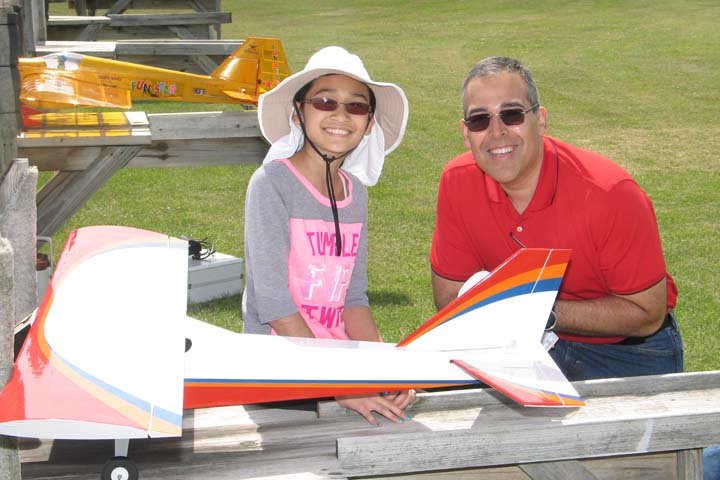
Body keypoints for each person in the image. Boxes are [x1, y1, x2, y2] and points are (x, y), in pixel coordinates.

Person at [429, 55, 720, 478]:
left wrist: (535, 311)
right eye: (479, 120)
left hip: (625, 352)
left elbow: (647, 313)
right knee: (478, 459)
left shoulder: (609, 193)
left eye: (512, 114)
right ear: (465, 132)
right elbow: (449, 297)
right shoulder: (457, 182)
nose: (497, 132)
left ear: (541, 120)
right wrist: (516, 318)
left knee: (647, 471)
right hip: (522, 350)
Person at [242, 46, 414, 425]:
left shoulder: (356, 194)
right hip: (280, 375)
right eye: (325, 102)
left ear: (369, 123)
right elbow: (273, 304)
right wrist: (340, 386)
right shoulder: (272, 184)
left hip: (338, 369)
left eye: (356, 106)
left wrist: (383, 369)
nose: (341, 115)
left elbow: (353, 298)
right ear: (298, 112)